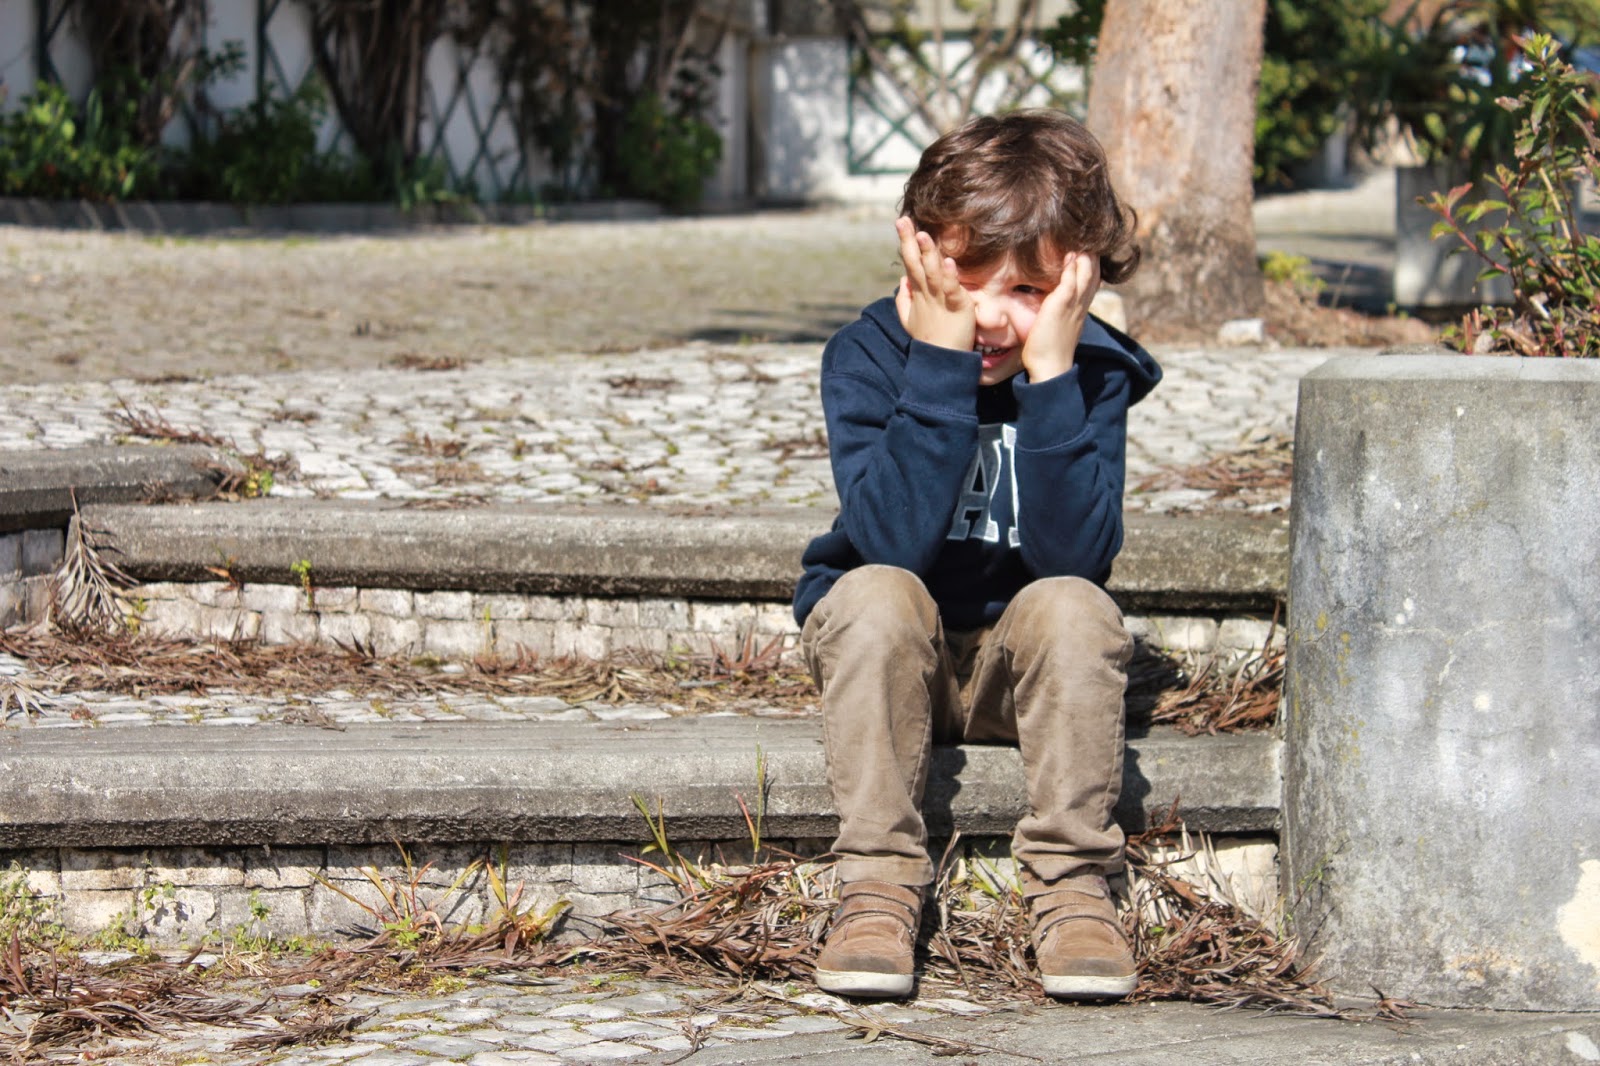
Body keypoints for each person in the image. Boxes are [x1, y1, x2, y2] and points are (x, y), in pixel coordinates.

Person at [792, 109, 1162, 1000]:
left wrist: (1055, 378)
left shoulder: (1090, 374)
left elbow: (1078, 558)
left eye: (1029, 289)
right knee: (875, 592)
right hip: (894, 660)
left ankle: (1074, 888)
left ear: (1080, 281)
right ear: (918, 253)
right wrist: (939, 362)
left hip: (1017, 671)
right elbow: (890, 541)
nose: (992, 316)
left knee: (1075, 606)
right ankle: (877, 885)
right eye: (967, 277)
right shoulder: (869, 356)